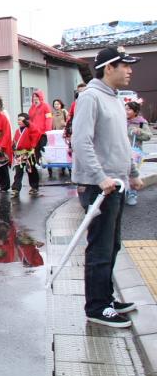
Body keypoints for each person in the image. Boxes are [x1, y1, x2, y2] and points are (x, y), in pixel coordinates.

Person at [72, 46, 143, 328]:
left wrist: (133, 171)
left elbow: (121, 141)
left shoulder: (113, 98)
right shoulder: (90, 97)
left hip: (117, 184)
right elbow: (81, 141)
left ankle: (107, 297)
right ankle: (96, 307)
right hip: (99, 187)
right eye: (125, 65)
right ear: (109, 68)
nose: (130, 70)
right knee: (100, 248)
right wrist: (100, 176)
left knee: (112, 245)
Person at [125, 100, 152, 206]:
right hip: (121, 152)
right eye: (125, 109)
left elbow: (148, 136)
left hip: (135, 153)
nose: (126, 111)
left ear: (135, 111)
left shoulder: (141, 122)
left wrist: (139, 131)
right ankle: (124, 193)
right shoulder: (120, 120)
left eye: (129, 109)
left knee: (132, 174)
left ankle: (132, 194)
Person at [11, 113, 41, 197]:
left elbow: (36, 133)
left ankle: (34, 187)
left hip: (28, 154)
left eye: (21, 119)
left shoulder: (30, 129)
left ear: (26, 121)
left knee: (31, 171)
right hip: (19, 154)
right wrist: (13, 147)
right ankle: (15, 189)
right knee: (18, 172)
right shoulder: (17, 131)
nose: (19, 121)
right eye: (18, 119)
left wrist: (29, 124)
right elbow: (15, 141)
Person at [28, 90, 51, 168]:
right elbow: (29, 119)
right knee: (36, 149)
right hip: (34, 132)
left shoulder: (45, 106)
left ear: (40, 97)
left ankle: (45, 163)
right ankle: (38, 163)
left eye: (36, 96)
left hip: (43, 132)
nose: (35, 98)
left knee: (42, 148)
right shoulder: (32, 107)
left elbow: (49, 118)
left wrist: (47, 130)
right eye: (33, 97)